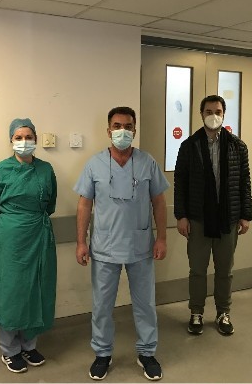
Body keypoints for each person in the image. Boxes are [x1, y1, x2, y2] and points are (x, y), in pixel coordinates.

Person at [74, 106, 169, 381]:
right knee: (102, 306)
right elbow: (84, 205)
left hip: (140, 245)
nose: (122, 131)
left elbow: (159, 203)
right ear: (108, 131)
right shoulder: (94, 164)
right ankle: (102, 354)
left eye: (128, 126)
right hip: (104, 246)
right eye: (117, 126)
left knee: (145, 304)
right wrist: (81, 242)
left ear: (134, 130)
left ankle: (147, 353)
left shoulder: (147, 162)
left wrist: (162, 238)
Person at [0, 118, 57, 374]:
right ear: (11, 141)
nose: (24, 141)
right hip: (11, 236)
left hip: (39, 232)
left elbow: (51, 203)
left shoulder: (45, 169)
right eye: (19, 137)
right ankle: (10, 349)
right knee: (12, 290)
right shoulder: (0, 170)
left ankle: (29, 345)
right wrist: (12, 221)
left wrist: (32, 219)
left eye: (29, 137)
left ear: (35, 139)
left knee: (37, 287)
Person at [174, 95, 252, 336]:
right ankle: (196, 312)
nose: (213, 115)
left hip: (228, 219)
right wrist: (181, 215)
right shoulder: (189, 146)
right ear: (201, 114)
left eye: (218, 111)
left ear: (224, 114)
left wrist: (246, 215)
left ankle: (223, 312)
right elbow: (180, 183)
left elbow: (244, 182)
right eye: (208, 111)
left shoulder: (237, 146)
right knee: (197, 270)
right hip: (198, 219)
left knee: (225, 270)